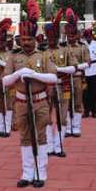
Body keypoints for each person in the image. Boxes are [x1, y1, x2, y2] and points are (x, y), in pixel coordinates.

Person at [2, 0, 58, 188]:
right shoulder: (14, 56)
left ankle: (41, 172)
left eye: (29, 39)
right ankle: (27, 172)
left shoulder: (44, 55)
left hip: (40, 101)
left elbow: (53, 78)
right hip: (21, 101)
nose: (26, 42)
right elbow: (4, 81)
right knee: (25, 136)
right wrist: (18, 73)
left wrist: (35, 75)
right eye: (23, 39)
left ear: (36, 39)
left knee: (40, 136)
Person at [44, 10, 68, 157]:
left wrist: (59, 69)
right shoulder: (42, 52)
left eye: (54, 37)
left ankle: (59, 145)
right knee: (46, 116)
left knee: (62, 116)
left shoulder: (65, 51)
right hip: (46, 86)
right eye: (50, 37)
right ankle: (49, 145)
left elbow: (75, 66)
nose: (52, 40)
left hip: (62, 84)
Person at [63, 9, 89, 136]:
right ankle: (68, 128)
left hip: (78, 78)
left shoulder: (83, 47)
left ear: (77, 35)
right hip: (65, 79)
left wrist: (76, 67)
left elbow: (88, 63)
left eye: (73, 36)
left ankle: (76, 127)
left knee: (78, 103)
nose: (71, 38)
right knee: (67, 103)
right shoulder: (62, 47)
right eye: (69, 36)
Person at [0, 19, 14, 137]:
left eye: (2, 42)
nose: (0, 44)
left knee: (8, 104)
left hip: (8, 81)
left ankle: (7, 127)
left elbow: (12, 67)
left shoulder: (10, 53)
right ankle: (0, 127)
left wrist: (3, 64)